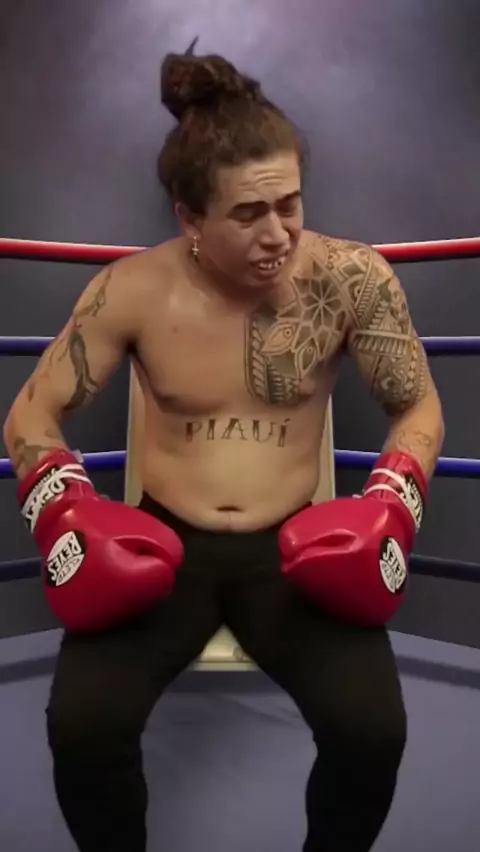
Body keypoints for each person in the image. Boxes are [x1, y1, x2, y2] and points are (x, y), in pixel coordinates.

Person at [3, 45, 444, 852]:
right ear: (190, 218)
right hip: (165, 545)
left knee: (372, 731)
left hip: (294, 550)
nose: (278, 234)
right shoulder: (133, 290)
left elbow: (417, 404)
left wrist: (394, 497)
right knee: (82, 726)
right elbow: (31, 413)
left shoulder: (352, 278)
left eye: (290, 204)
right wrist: (64, 505)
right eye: (248, 214)